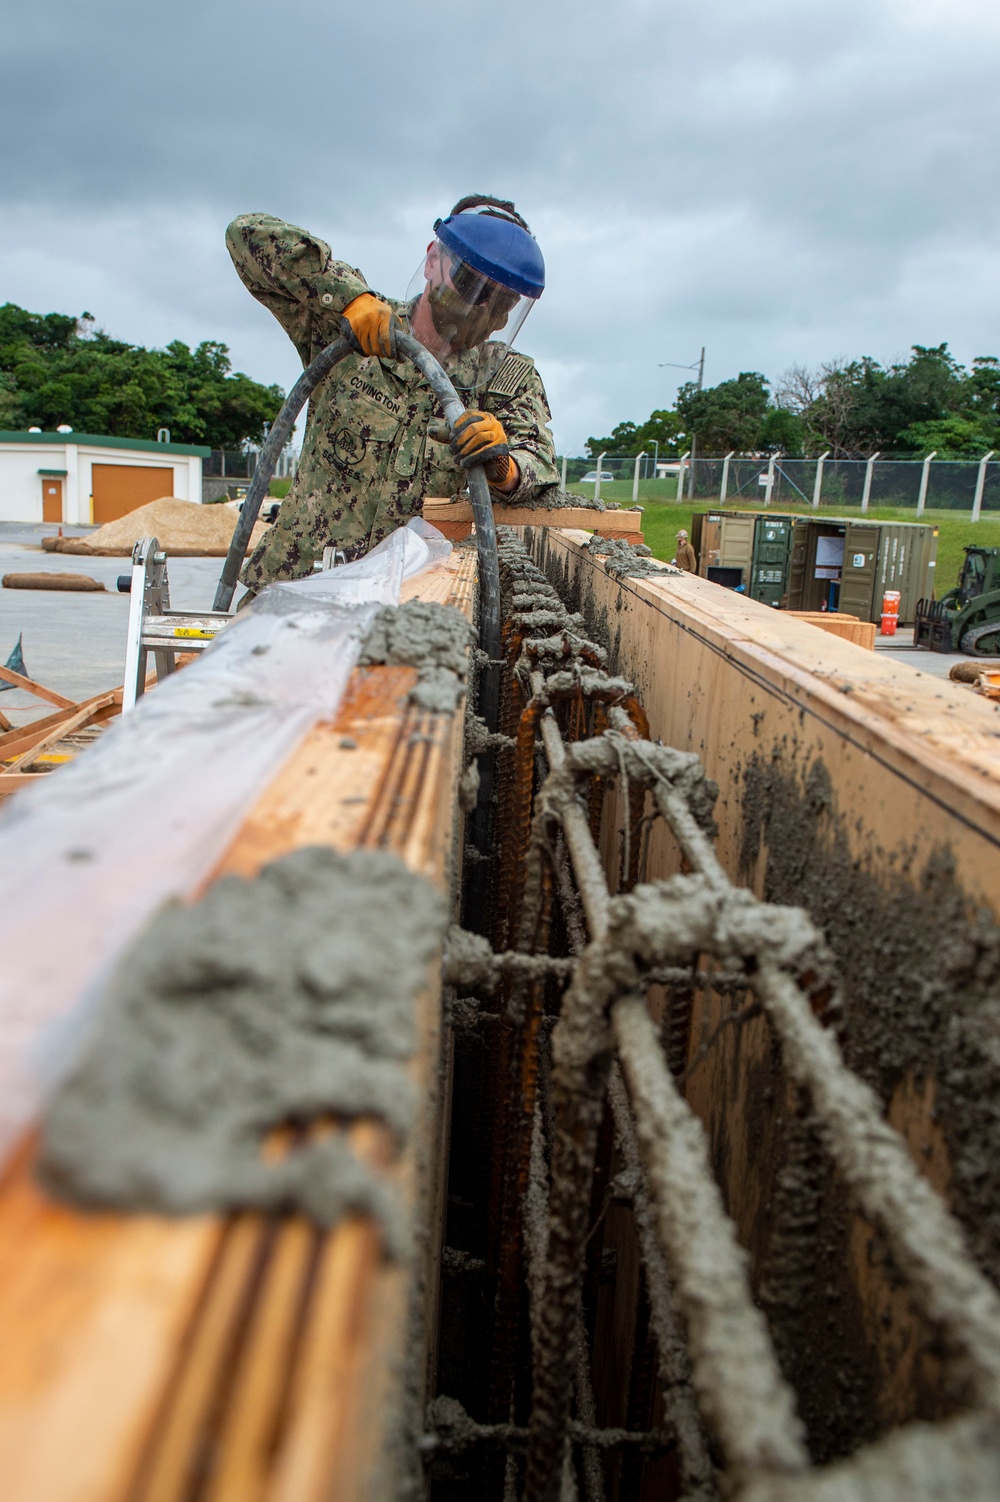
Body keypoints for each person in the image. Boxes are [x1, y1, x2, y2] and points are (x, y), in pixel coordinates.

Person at [225, 195, 559, 595]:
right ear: (433, 261)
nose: (480, 307)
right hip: (297, 581)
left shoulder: (508, 376)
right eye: (471, 284)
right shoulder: (356, 322)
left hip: (405, 601)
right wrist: (344, 293)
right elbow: (245, 235)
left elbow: (536, 463)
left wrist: (504, 467)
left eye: (501, 299)